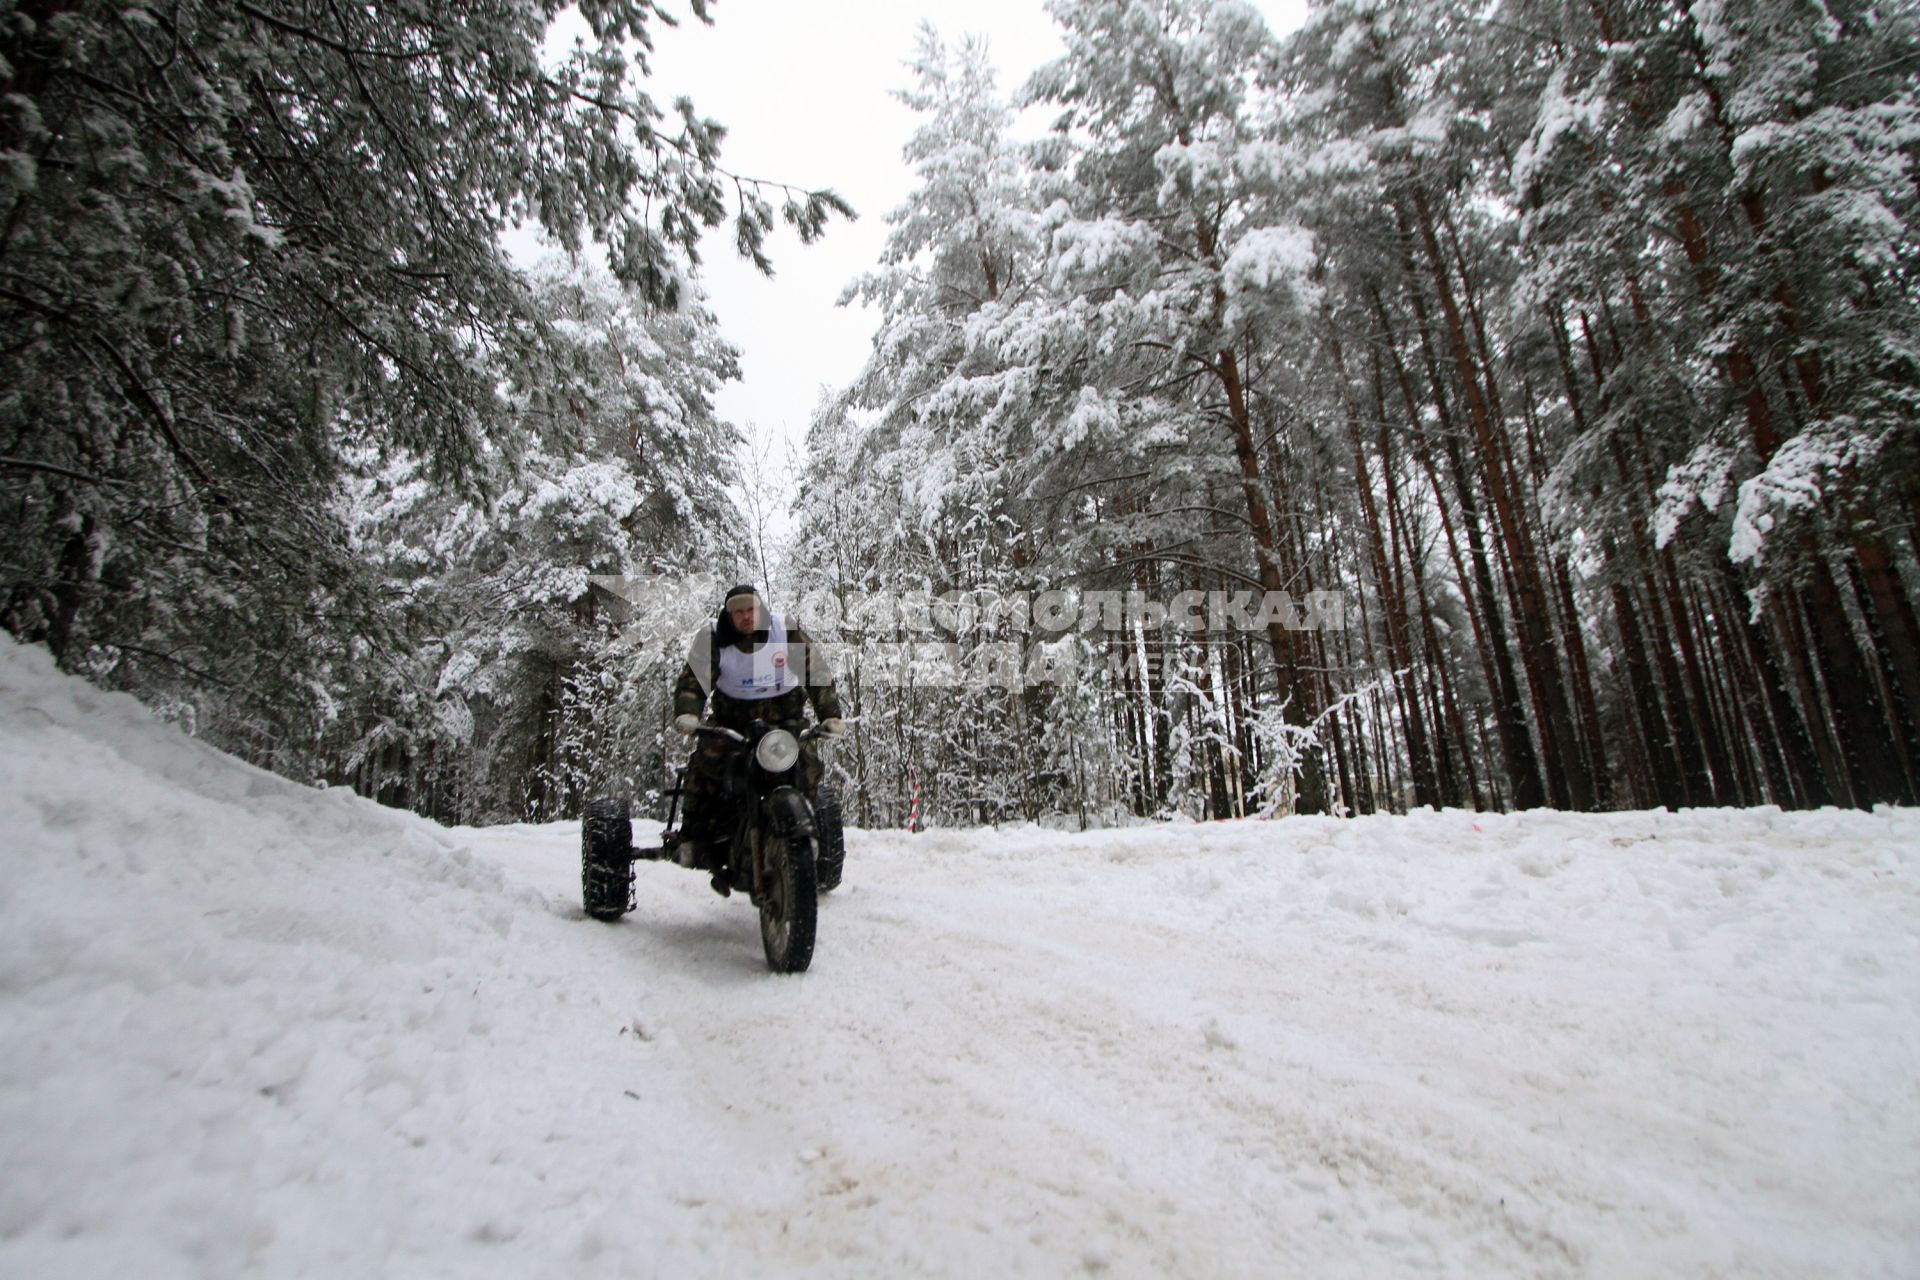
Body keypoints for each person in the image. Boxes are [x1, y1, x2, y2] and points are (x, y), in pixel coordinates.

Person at [670, 584, 842, 894]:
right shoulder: (712, 637)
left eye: (750, 610)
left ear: (760, 610)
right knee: (705, 764)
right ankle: (694, 836)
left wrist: (829, 713)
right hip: (732, 725)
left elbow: (814, 669)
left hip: (784, 724)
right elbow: (693, 680)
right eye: (738, 612)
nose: (746, 617)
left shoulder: (783, 629)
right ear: (729, 614)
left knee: (808, 764)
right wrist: (688, 712)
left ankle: (810, 833)